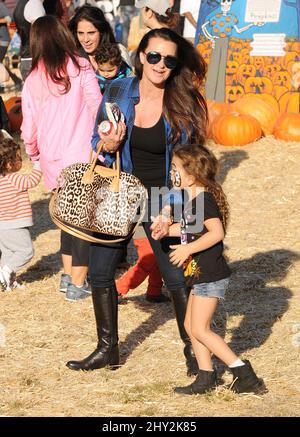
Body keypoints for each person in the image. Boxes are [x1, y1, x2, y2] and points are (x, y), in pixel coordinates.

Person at [65, 28, 208, 374]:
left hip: (166, 195)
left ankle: (194, 351)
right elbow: (95, 140)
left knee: (179, 277)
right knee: (99, 272)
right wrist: (109, 146)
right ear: (142, 56)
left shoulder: (184, 101)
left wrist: (175, 209)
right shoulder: (117, 90)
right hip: (120, 191)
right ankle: (106, 350)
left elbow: (191, 165)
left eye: (169, 60)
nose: (161, 65)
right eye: (155, 56)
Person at [158, 143, 267, 395]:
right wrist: (167, 230)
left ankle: (244, 374)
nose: (171, 172)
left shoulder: (203, 200)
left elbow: (216, 233)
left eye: (175, 168)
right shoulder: (192, 198)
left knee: (200, 329)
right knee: (189, 324)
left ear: (192, 175)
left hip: (210, 276)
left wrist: (186, 250)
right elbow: (191, 228)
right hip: (200, 275)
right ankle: (206, 375)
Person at [20, 15, 102, 301]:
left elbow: (28, 128)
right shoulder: (80, 68)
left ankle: (69, 276)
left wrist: (34, 155)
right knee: (81, 222)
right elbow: (96, 106)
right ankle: (78, 283)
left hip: (52, 159)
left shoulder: (32, 80)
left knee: (68, 220)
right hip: (82, 156)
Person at [0, 133, 42, 291]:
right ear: (9, 165)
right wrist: (38, 163)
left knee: (8, 252)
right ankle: (7, 270)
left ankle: (7, 281)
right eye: (18, 157)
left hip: (2, 226)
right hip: (15, 224)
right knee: (26, 251)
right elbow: (32, 180)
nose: (21, 160)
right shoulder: (14, 178)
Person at [69, 5, 132, 73]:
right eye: (80, 33)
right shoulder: (72, 58)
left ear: (101, 32)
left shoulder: (120, 51)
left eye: (91, 33)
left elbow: (130, 80)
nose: (85, 39)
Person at [116, 225, 169, 303]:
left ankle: (154, 292)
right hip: (145, 227)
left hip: (157, 227)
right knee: (147, 262)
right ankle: (118, 289)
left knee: (158, 258)